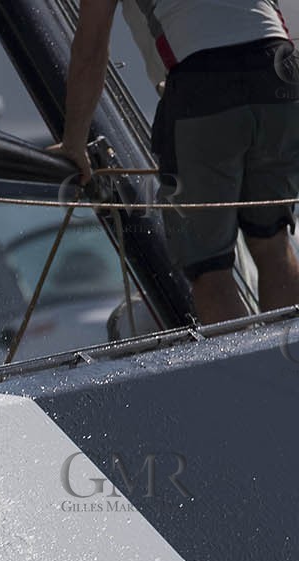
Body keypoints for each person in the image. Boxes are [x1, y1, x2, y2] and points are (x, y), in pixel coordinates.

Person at [53, 0, 299, 324]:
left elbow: (91, 45)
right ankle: (288, 368)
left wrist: (74, 142)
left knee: (210, 269)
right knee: (273, 241)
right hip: (279, 71)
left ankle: (251, 373)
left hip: (203, 81)